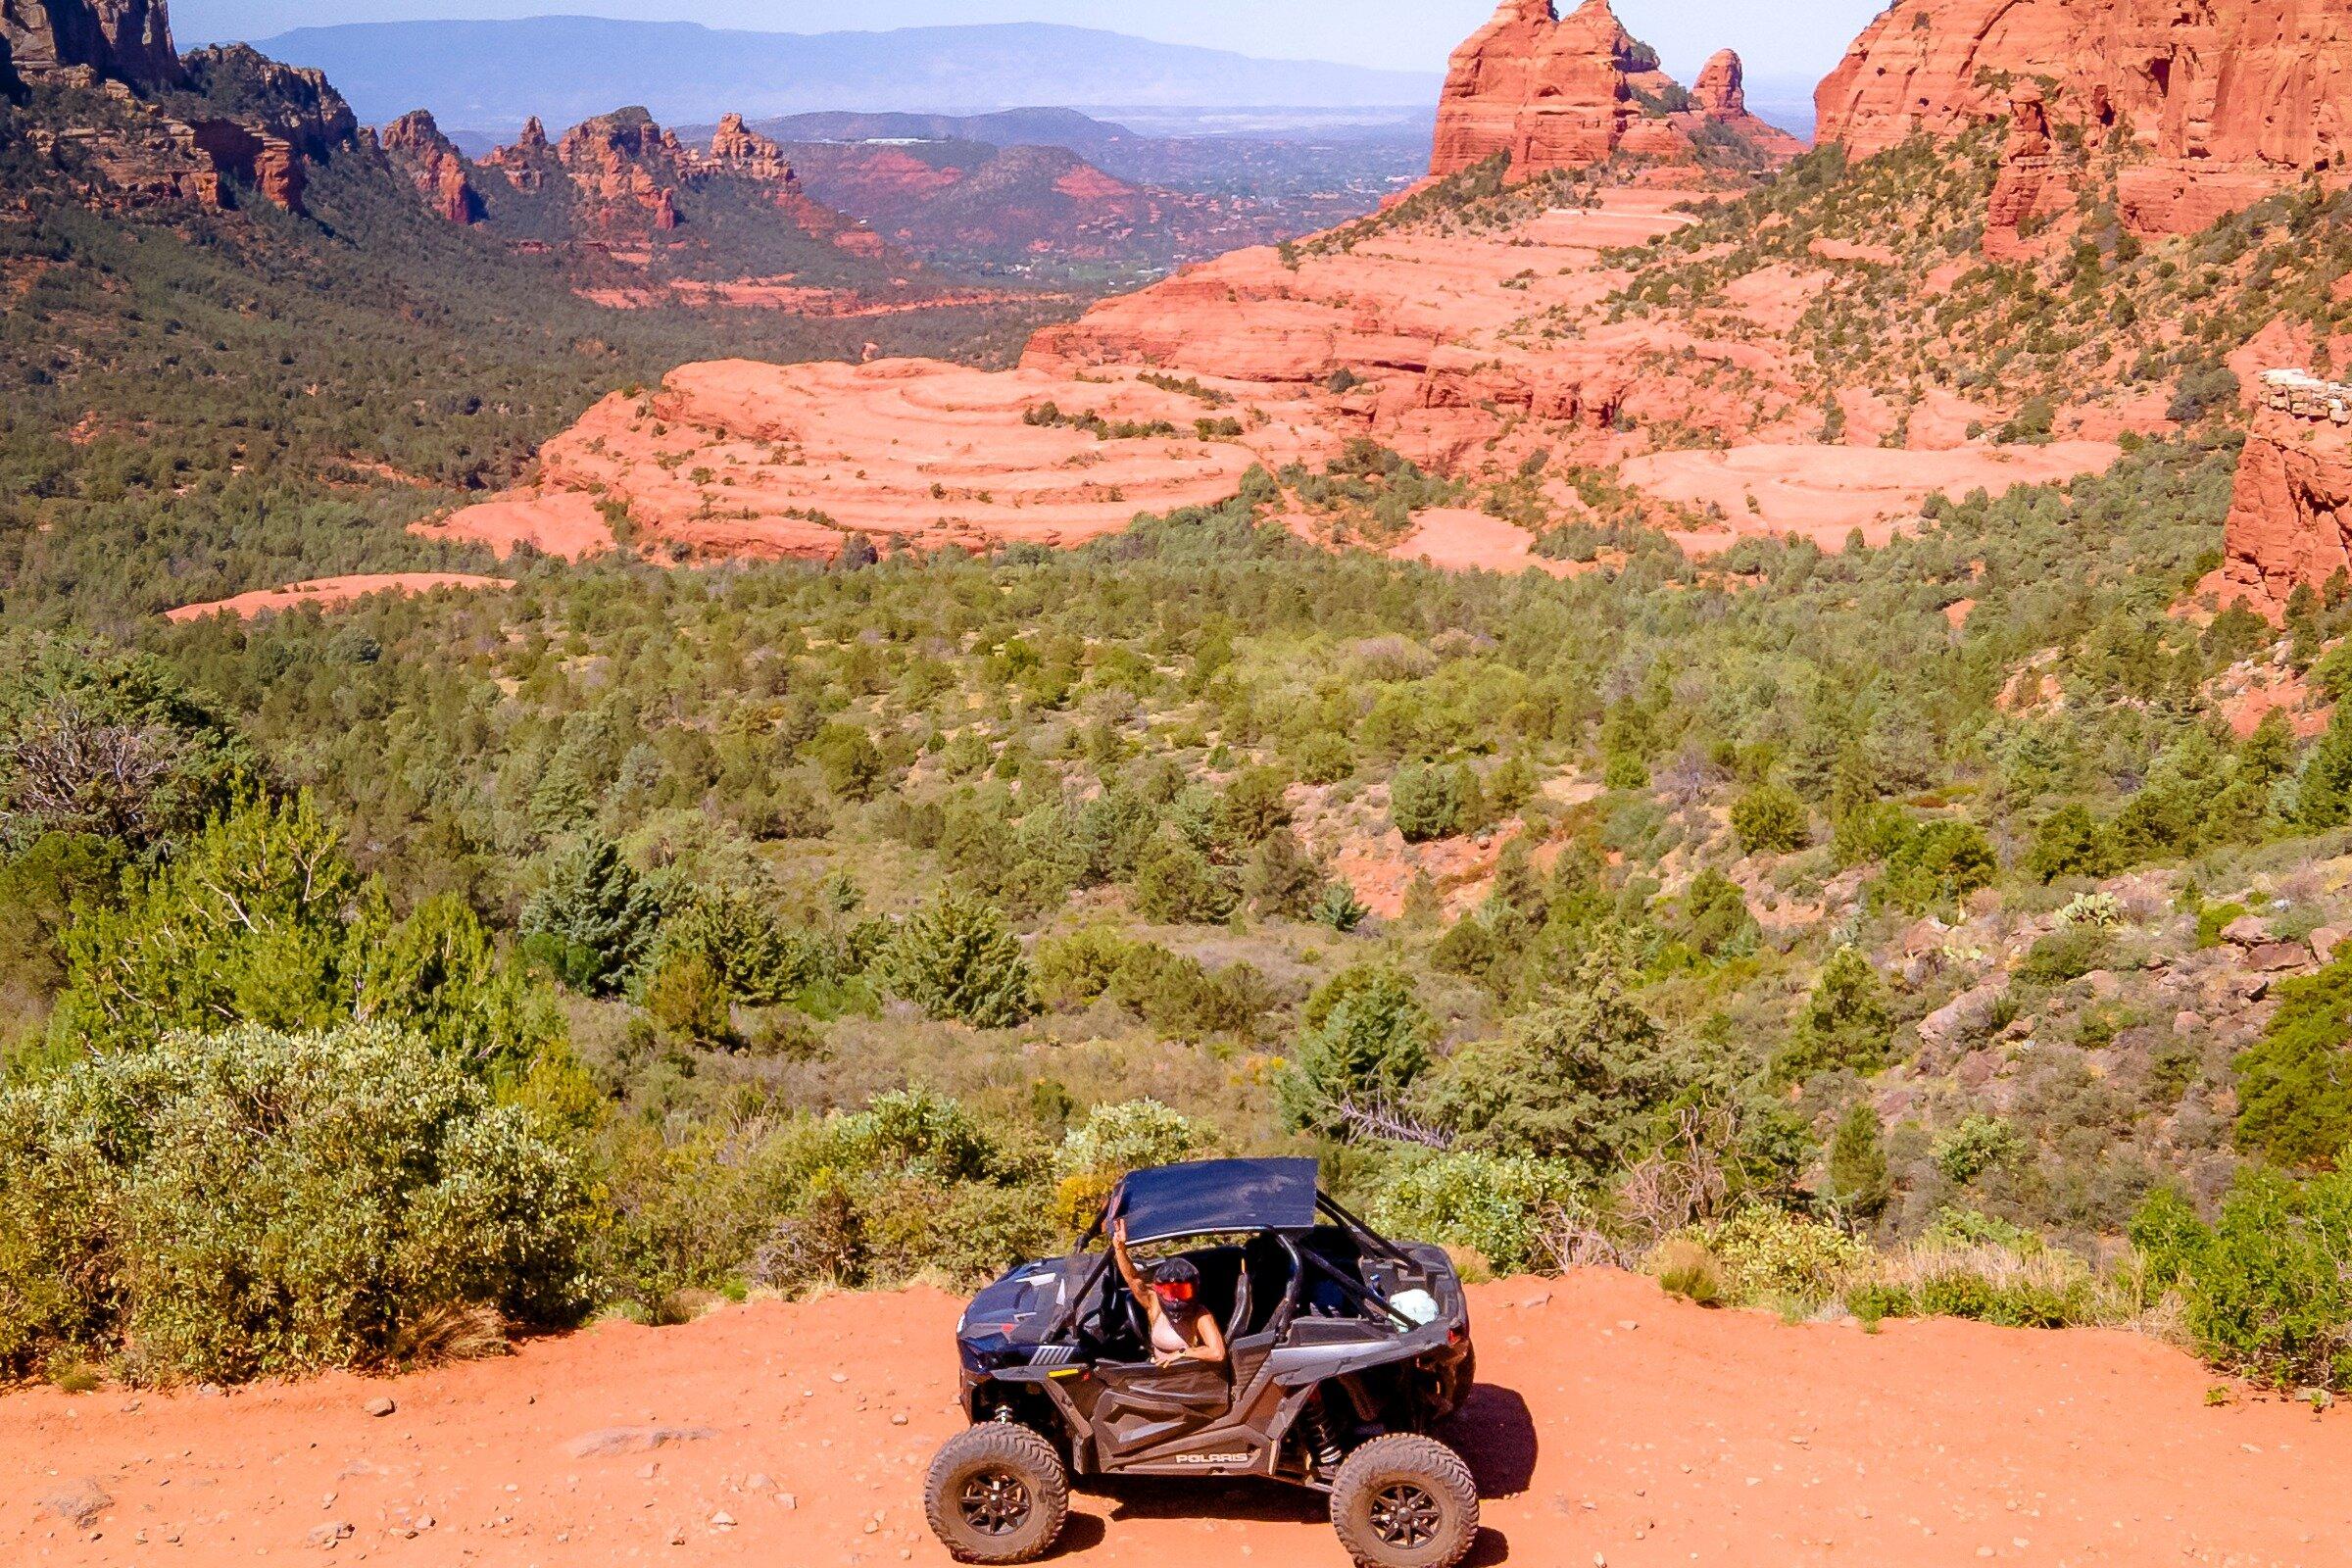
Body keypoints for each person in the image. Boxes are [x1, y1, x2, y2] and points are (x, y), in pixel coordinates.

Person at [1111, 1215, 1227, 1368]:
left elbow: (1217, 1353)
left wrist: (1182, 1353)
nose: (1175, 1299)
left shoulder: (1200, 1315)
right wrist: (1120, 1249)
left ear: (1194, 1290)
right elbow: (1132, 1278)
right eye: (1168, 1292)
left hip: (1188, 1378)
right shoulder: (1154, 1304)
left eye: (1183, 1291)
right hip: (1157, 1374)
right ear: (1158, 1290)